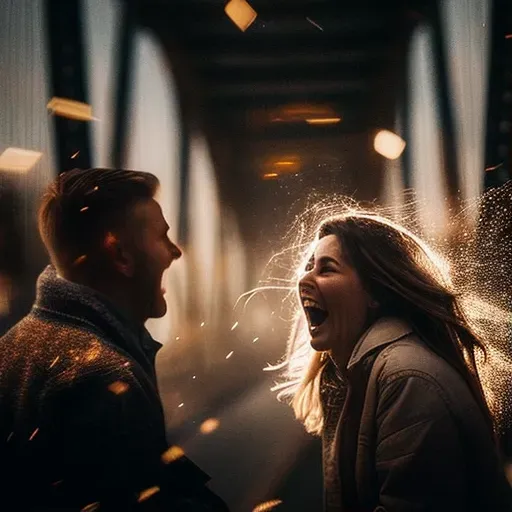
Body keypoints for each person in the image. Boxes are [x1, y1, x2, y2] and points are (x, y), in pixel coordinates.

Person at [0, 168, 229, 511]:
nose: (174, 252)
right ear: (120, 254)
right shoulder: (103, 376)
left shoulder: (13, 345)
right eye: (162, 237)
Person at [275, 211, 512, 511]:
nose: (303, 280)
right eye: (309, 267)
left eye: (327, 269)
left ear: (374, 292)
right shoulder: (362, 374)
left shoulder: (408, 381)